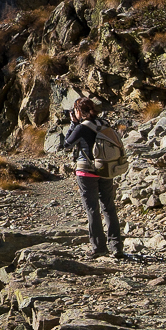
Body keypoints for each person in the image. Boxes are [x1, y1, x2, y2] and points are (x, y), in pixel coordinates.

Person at [61, 98, 124, 258]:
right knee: (109, 207)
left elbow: (66, 144)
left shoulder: (81, 127)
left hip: (86, 172)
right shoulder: (104, 123)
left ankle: (98, 247)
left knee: (92, 210)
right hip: (105, 169)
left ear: (78, 112)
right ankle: (116, 247)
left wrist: (73, 123)